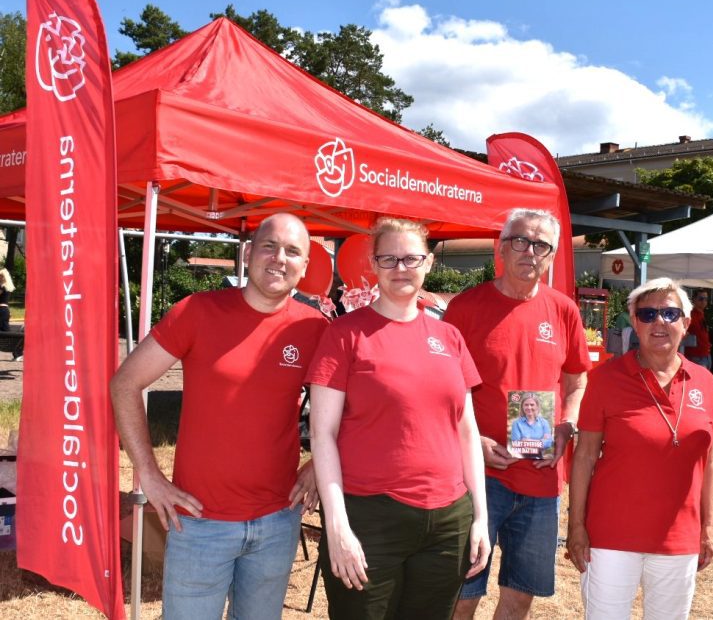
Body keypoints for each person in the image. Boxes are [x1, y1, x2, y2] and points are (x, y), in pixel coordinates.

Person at [110, 213, 327, 620]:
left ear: (305, 268)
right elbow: (125, 383)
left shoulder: (315, 328)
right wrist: (149, 475)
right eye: (269, 246)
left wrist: (318, 463)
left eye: (293, 251)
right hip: (199, 523)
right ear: (248, 253)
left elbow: (348, 409)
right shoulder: (196, 312)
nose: (279, 258)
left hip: (277, 521)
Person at [306, 217, 489, 619]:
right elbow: (322, 435)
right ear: (372, 264)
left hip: (447, 521)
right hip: (370, 517)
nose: (400, 268)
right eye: (388, 259)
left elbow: (466, 430)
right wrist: (337, 527)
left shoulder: (449, 338)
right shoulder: (345, 334)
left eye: (411, 258)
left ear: (428, 263)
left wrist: (479, 517)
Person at [444, 208, 591, 620]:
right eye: (520, 241)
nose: (530, 251)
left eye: (541, 245)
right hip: (477, 478)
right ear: (501, 248)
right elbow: (445, 391)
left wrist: (566, 426)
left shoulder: (564, 311)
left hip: (540, 483)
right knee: (464, 592)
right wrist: (474, 442)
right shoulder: (466, 307)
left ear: (552, 255)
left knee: (520, 595)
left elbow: (578, 379)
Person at [568, 278, 713, 619]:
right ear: (634, 322)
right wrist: (576, 526)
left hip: (678, 538)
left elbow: (707, 463)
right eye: (648, 314)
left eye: (669, 313)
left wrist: (707, 527)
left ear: (686, 320)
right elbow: (584, 456)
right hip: (611, 535)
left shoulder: (705, 382)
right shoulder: (606, 378)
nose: (659, 322)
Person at [509, 393, 553, 459]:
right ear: (522, 407)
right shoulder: (516, 423)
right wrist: (540, 442)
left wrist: (526, 441)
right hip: (521, 458)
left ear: (537, 406)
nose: (529, 407)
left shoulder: (544, 423)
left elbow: (548, 443)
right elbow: (516, 444)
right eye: (526, 405)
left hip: (539, 458)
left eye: (532, 405)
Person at [682, 290, 711, 369]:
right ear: (694, 299)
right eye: (701, 299)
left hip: (705, 354)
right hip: (696, 356)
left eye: (706, 299)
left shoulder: (701, 314)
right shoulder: (690, 314)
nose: (704, 301)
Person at [0, 265, 21, 360]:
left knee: (8, 334)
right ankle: (18, 352)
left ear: (4, 277)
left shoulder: (3, 287)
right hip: (4, 311)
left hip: (2, 312)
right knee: (7, 334)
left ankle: (18, 351)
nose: (0, 277)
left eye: (1, 275)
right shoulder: (6, 287)